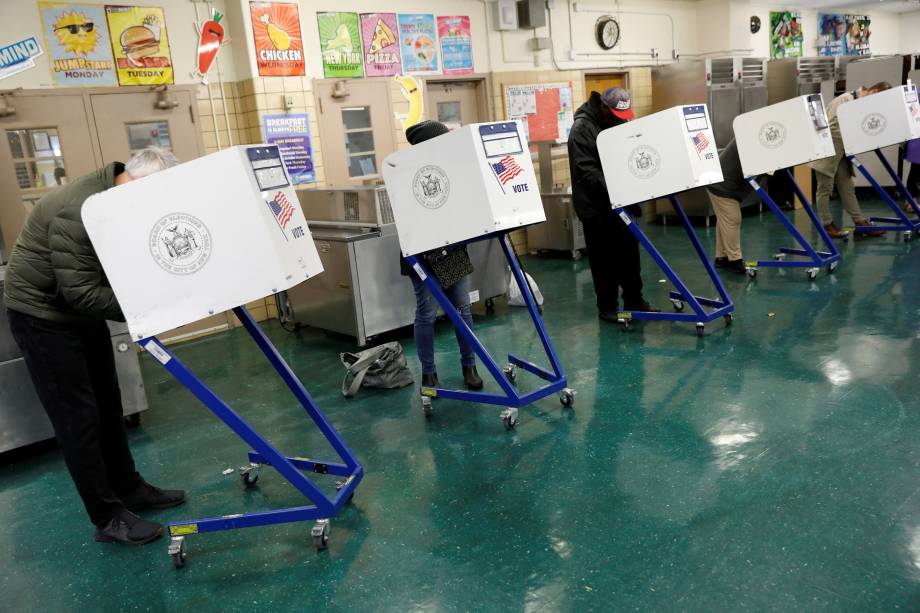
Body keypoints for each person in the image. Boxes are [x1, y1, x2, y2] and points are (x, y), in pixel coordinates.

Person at [4, 147, 185, 546]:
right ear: (138, 184)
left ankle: (130, 489)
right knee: (79, 418)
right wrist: (146, 309)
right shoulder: (80, 210)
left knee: (108, 403)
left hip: (76, 313)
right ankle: (107, 517)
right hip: (42, 316)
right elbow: (82, 292)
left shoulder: (118, 197)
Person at [400, 120, 483, 392]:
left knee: (463, 309)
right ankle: (428, 373)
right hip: (421, 253)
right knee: (425, 314)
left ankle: (469, 366)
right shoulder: (404, 174)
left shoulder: (452, 168)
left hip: (453, 248)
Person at [568, 87, 657, 322]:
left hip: (620, 202)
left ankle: (634, 300)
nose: (619, 121)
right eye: (615, 116)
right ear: (603, 107)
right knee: (604, 259)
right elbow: (587, 171)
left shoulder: (612, 123)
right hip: (595, 207)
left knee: (629, 254)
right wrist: (618, 188)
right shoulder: (582, 129)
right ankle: (607, 307)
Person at [812, 82, 892, 238]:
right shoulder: (844, 100)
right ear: (873, 91)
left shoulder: (858, 103)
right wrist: (855, 139)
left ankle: (860, 223)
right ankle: (827, 225)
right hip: (827, 151)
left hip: (841, 153)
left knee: (847, 186)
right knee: (825, 188)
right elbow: (832, 127)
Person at [706, 139, 754, 274]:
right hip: (721, 184)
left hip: (723, 182)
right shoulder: (752, 137)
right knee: (732, 218)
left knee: (725, 220)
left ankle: (721, 257)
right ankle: (735, 260)